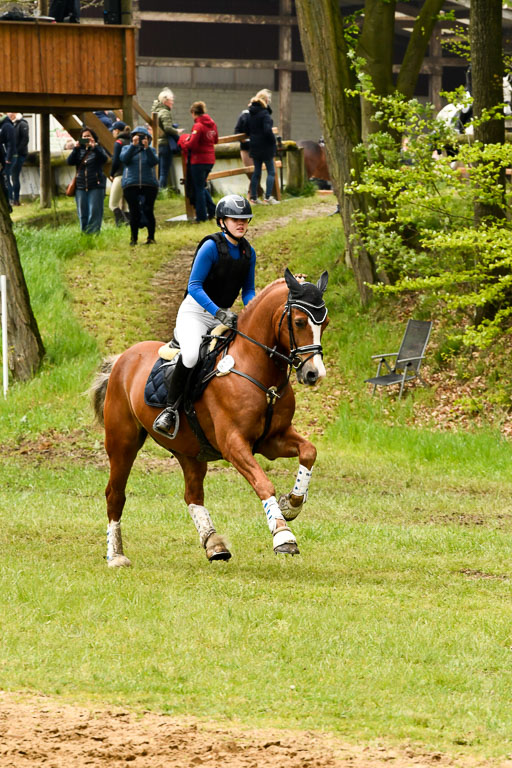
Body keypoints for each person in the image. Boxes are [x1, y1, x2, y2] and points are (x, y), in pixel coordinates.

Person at [153, 194, 256, 437]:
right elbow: (194, 286)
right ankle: (170, 409)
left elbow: (249, 291)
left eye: (244, 219)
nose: (240, 223)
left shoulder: (248, 253)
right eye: (234, 219)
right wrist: (218, 312)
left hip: (223, 315)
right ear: (222, 221)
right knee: (190, 356)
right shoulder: (211, 246)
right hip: (196, 312)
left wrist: (250, 312)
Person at [178, 101, 218, 223]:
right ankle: (213, 210)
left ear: (194, 113)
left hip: (198, 160)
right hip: (210, 160)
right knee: (201, 186)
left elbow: (192, 144)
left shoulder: (198, 126)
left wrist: (184, 142)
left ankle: (201, 217)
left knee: (199, 189)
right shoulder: (212, 124)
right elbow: (215, 140)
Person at [120, 125, 159, 246]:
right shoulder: (127, 148)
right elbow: (124, 159)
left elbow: (154, 162)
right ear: (132, 137)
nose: (141, 139)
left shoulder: (151, 150)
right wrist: (133, 146)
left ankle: (151, 237)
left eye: (144, 137)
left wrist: (146, 148)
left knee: (148, 210)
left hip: (149, 184)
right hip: (131, 183)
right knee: (134, 211)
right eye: (137, 136)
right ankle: (133, 239)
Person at [67, 126, 108, 233]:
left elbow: (104, 159)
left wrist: (94, 147)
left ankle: (93, 234)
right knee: (82, 212)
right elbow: (69, 162)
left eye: (88, 136)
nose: (86, 138)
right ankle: (84, 233)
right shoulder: (78, 150)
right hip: (80, 186)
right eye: (84, 137)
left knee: (95, 211)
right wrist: (75, 149)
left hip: (95, 185)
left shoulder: (98, 149)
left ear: (93, 137)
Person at [247, 89, 280, 205]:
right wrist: (273, 141)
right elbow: (267, 131)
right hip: (266, 147)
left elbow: (247, 129)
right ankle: (267, 198)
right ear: (266, 100)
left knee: (257, 172)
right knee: (271, 172)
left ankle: (254, 198)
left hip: (254, 146)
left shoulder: (250, 113)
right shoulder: (265, 114)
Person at [151, 88, 182, 191]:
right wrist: (177, 131)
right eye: (171, 99)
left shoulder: (156, 111)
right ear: (165, 101)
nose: (172, 101)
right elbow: (167, 128)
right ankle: (161, 192)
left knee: (158, 170)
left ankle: (157, 191)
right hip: (165, 144)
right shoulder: (165, 112)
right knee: (164, 171)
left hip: (157, 144)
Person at [234, 101, 264, 200]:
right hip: (246, 148)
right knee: (251, 172)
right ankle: (257, 192)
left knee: (257, 171)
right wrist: (242, 139)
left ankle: (252, 194)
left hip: (257, 147)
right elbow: (237, 131)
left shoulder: (261, 116)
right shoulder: (244, 116)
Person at [109, 120, 131, 226]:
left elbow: (115, 161)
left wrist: (112, 173)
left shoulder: (119, 143)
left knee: (113, 204)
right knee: (125, 205)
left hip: (120, 175)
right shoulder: (130, 141)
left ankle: (121, 223)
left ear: (117, 131)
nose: (112, 133)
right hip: (130, 175)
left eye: (113, 131)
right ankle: (130, 223)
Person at [6, 112, 29, 206]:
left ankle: (15, 199)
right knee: (8, 177)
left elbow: (25, 140)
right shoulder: (9, 124)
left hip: (18, 154)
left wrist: (15, 152)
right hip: (10, 154)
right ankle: (11, 198)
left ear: (14, 114)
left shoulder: (22, 124)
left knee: (14, 177)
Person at [0, 113, 15, 210]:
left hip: (6, 158)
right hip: (3, 157)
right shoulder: (2, 125)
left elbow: (11, 143)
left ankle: (9, 200)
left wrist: (8, 158)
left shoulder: (7, 126)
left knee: (6, 180)